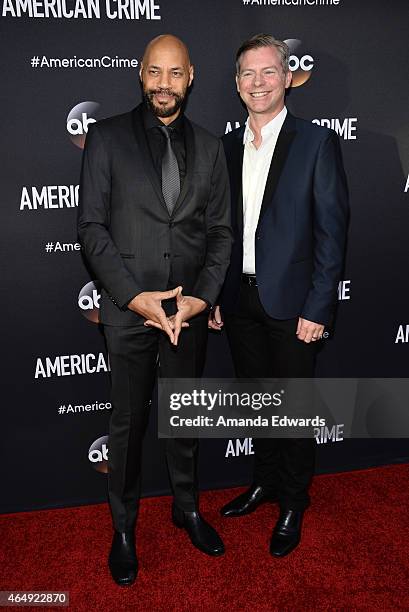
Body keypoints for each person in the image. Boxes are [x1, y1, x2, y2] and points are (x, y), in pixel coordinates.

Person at [78, 34, 232, 586]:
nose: (163, 84)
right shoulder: (106, 138)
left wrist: (202, 298)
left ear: (191, 77)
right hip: (127, 312)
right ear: (140, 75)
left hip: (188, 312)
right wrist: (131, 295)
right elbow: (90, 228)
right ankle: (123, 528)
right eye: (153, 72)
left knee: (183, 413)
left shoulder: (214, 148)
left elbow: (219, 233)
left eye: (174, 73)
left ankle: (187, 508)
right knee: (129, 422)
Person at [209, 34, 348, 557]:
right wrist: (216, 294)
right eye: (248, 74)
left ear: (288, 78)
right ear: (236, 84)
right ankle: (264, 482)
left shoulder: (315, 142)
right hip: (239, 300)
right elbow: (219, 230)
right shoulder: (224, 147)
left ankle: (294, 499)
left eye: (269, 72)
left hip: (293, 306)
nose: (259, 83)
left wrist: (319, 306)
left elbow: (333, 232)